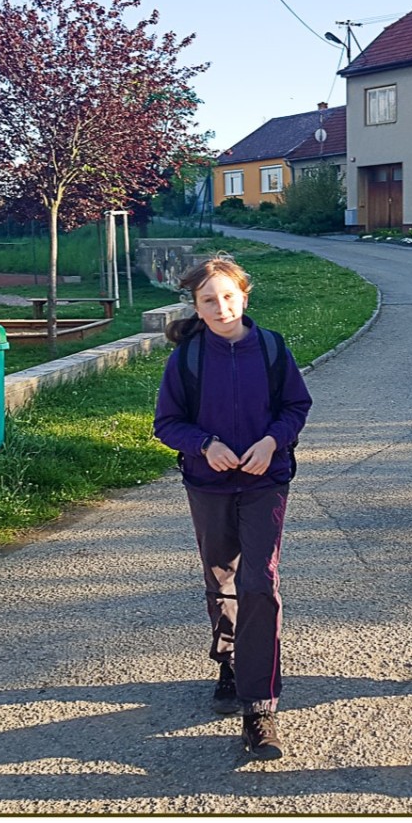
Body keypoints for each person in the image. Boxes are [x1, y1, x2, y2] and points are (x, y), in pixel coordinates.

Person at [154, 254, 312, 759]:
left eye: (228, 296)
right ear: (196, 307)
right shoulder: (187, 359)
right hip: (209, 485)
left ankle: (259, 708)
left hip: (267, 481)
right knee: (221, 579)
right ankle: (228, 661)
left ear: (244, 296)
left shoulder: (272, 348)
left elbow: (296, 406)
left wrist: (272, 442)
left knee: (259, 584)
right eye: (208, 300)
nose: (220, 307)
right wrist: (204, 445)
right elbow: (167, 423)